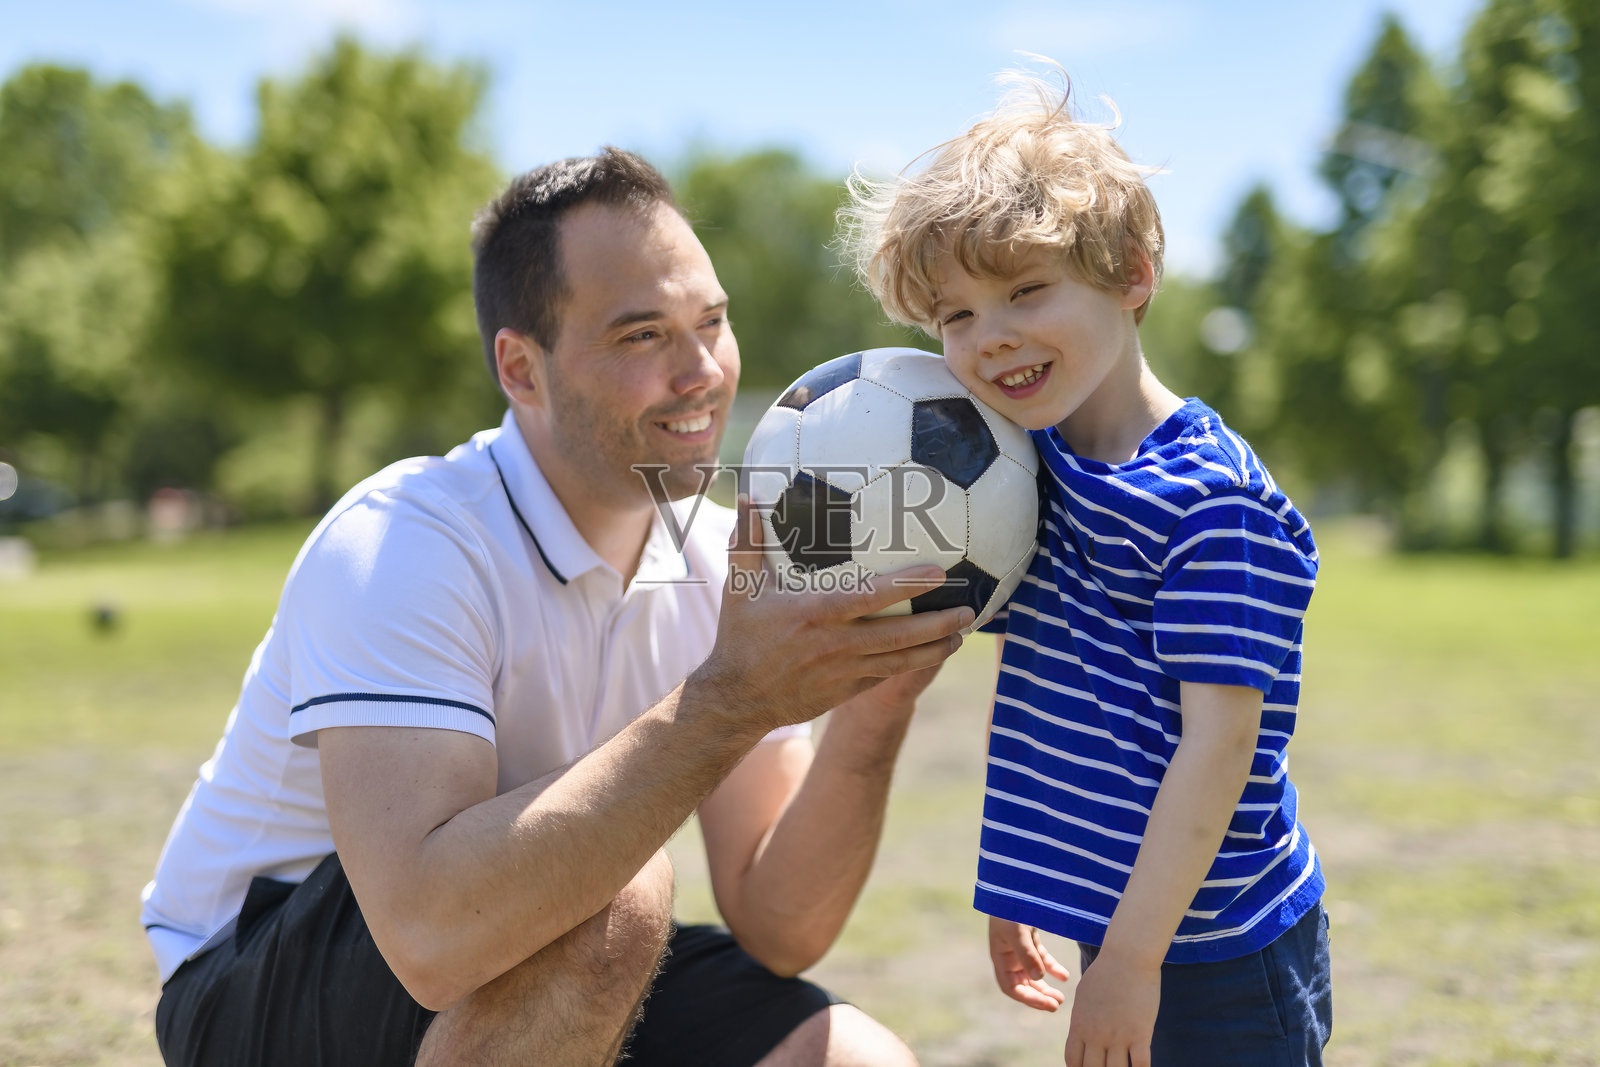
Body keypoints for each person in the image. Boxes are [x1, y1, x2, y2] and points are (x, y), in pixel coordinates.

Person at [142, 147, 975, 1067]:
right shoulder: (406, 541)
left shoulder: (716, 549)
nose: (702, 371)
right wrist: (727, 699)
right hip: (255, 979)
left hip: (547, 955)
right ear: (520, 368)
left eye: (713, 321)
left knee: (856, 1059)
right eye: (641, 336)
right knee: (616, 902)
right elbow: (429, 936)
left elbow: (778, 923)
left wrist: (874, 705)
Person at [840, 74, 1333, 1066]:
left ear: (1132, 275)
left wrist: (1135, 958)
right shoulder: (1028, 469)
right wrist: (1028, 888)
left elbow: (1218, 746)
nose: (992, 337)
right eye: (955, 316)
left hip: (1218, 947)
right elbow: (1040, 680)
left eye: (1026, 290)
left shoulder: (1209, 501)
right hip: (1122, 925)